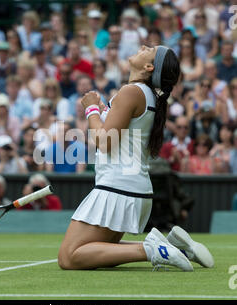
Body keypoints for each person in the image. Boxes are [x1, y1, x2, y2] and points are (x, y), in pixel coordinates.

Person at [58, 45, 213, 271]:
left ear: (149, 67)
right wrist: (102, 109)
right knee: (98, 250)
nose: (143, 47)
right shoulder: (141, 93)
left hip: (118, 188)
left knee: (69, 257)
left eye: (148, 49)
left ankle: (152, 250)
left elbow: (104, 141)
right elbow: (120, 129)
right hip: (130, 188)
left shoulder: (132, 92)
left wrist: (91, 109)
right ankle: (175, 248)